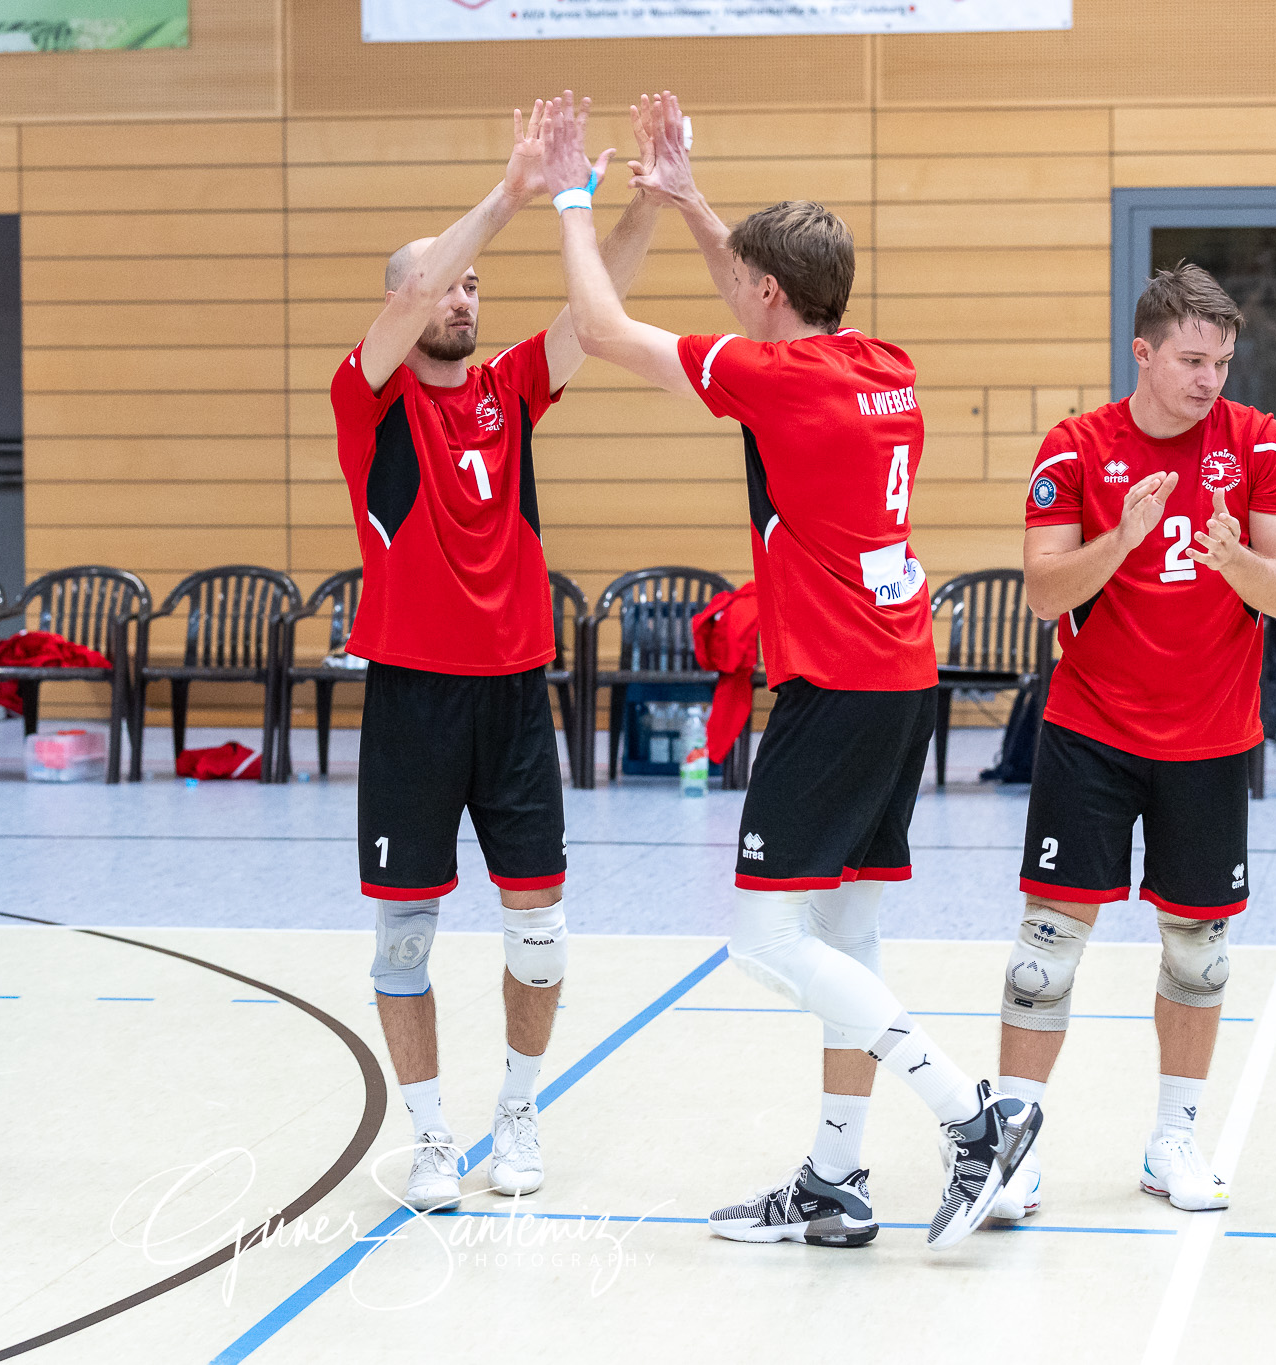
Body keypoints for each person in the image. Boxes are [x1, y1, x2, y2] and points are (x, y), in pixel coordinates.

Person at [543, 90, 1039, 1248]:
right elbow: (768, 306)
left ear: (770, 295)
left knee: (768, 939)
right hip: (901, 681)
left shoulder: (779, 381)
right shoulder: (881, 366)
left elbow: (607, 331)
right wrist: (688, 202)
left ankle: (970, 1117)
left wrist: (577, 202)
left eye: (749, 282)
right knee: (849, 942)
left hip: (836, 691)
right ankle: (832, 1181)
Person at [335, 98, 660, 1211]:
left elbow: (595, 303)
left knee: (539, 930)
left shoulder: (509, 387)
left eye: (475, 284)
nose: (463, 296)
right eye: (445, 283)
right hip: (413, 701)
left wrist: (641, 206)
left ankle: (515, 1113)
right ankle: (428, 1139)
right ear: (402, 301)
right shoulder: (365, 395)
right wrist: (506, 193)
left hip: (516, 696)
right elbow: (422, 282)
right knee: (403, 936)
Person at [988, 264, 1276, 1219]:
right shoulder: (1076, 449)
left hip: (1210, 739)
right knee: (1044, 951)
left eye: (1222, 360)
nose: (1211, 378)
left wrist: (1234, 557)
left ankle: (1174, 1141)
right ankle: (1012, 1147)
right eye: (1193, 359)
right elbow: (1044, 592)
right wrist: (1117, 543)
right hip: (1090, 731)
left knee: (1198, 954)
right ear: (1144, 351)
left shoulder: (1259, 446)